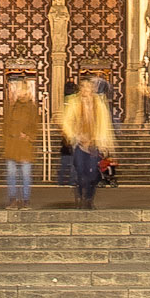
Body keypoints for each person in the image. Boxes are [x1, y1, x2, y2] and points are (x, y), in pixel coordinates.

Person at [58, 73, 115, 209]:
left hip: (94, 143)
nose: (85, 90)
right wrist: (76, 135)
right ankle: (81, 197)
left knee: (93, 174)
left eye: (88, 88)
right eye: (83, 87)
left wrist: (101, 140)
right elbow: (67, 122)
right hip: (79, 143)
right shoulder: (74, 102)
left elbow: (104, 123)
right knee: (80, 172)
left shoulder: (99, 104)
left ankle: (89, 198)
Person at [0, 73, 40, 209]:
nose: (18, 92)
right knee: (11, 174)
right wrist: (5, 141)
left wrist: (29, 136)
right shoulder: (11, 107)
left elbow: (35, 125)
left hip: (24, 145)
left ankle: (25, 199)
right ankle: (13, 199)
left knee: (25, 175)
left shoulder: (31, 108)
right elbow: (5, 125)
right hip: (12, 143)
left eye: (21, 89)